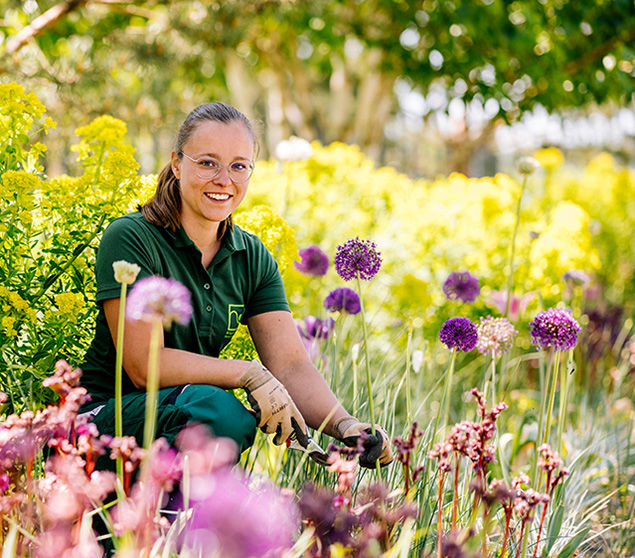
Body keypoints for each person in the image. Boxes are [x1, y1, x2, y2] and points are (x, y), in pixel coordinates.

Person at [79, 101, 393, 469]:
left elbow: (290, 366)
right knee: (221, 413)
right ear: (177, 163)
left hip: (182, 414)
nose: (224, 180)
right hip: (102, 422)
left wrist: (345, 426)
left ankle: (175, 520)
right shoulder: (132, 237)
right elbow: (143, 367)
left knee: (219, 413)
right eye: (207, 163)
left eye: (239, 166)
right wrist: (248, 373)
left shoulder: (252, 257)